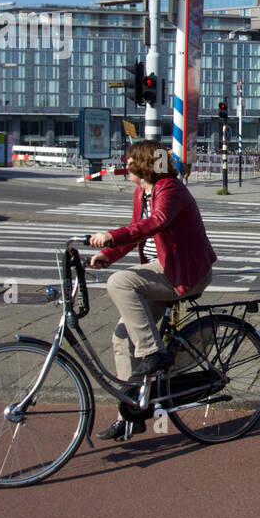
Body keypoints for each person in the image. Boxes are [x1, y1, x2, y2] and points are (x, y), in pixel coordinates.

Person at [88, 139, 217, 442]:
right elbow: (136, 232)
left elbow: (156, 223)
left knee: (120, 283)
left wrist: (110, 236)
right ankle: (130, 415)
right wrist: (107, 255)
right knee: (121, 339)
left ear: (146, 163)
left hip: (184, 273)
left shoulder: (169, 188)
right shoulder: (141, 192)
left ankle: (153, 352)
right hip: (162, 271)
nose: (126, 165)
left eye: (131, 160)